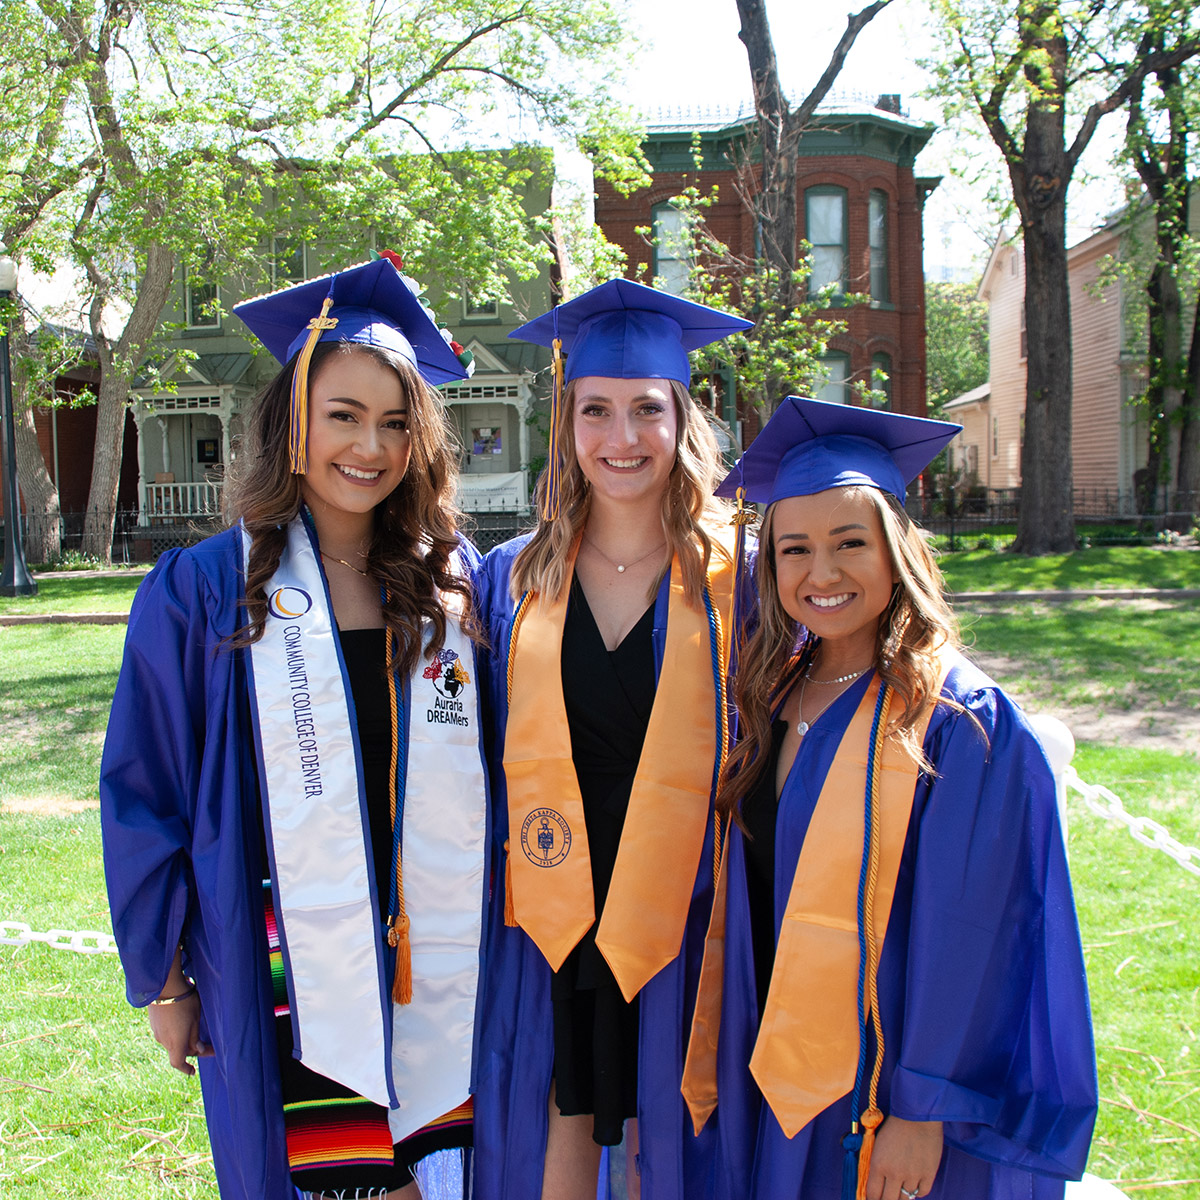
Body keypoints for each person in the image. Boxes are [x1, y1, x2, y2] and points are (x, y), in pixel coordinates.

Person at [100, 254, 490, 1200]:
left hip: (437, 947)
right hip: (285, 960)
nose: (371, 445)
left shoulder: (450, 583)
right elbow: (143, 790)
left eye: (396, 423)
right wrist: (166, 980)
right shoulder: (206, 590)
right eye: (344, 415)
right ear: (293, 424)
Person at [682, 396, 1098, 1200]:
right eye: (794, 549)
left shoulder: (957, 720)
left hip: (884, 1093)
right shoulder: (777, 695)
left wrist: (921, 1111)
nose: (821, 573)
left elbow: (974, 935)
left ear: (897, 549)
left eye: (850, 544)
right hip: (784, 1063)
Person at [472, 280, 751, 1200]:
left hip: (687, 895)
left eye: (646, 410)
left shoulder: (736, 580)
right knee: (561, 1105)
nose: (620, 438)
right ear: (568, 421)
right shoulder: (515, 577)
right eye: (595, 410)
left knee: (659, 1132)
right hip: (555, 890)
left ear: (683, 420)